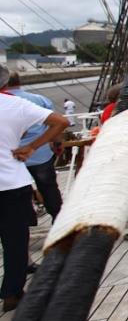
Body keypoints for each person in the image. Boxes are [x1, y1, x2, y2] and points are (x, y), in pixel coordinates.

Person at [0, 64, 69, 311]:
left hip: (12, 183)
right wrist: (32, 146)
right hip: (11, 182)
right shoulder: (15, 104)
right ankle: (12, 293)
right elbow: (61, 122)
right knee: (15, 240)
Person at [6, 72, 64, 222]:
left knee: (17, 191)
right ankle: (57, 218)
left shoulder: (5, 101)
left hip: (10, 156)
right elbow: (56, 124)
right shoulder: (38, 99)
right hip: (39, 153)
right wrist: (57, 143)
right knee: (48, 187)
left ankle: (28, 219)